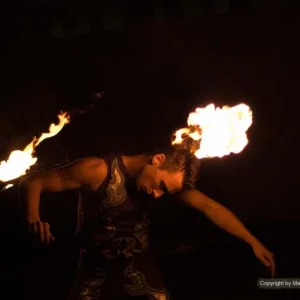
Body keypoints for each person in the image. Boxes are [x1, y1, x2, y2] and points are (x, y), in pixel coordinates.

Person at [20, 146, 275, 300]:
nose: (157, 194)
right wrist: (34, 218)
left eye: (166, 193)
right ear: (158, 159)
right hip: (93, 270)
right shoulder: (97, 169)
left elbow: (209, 207)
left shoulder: (167, 185)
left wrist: (252, 241)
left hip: (140, 268)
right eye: (161, 186)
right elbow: (35, 181)